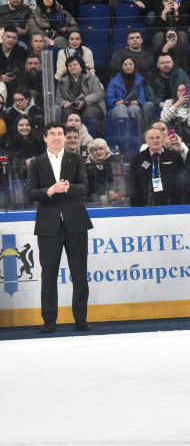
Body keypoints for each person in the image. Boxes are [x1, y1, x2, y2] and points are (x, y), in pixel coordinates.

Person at [27, 121, 94, 333]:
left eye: (59, 134)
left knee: (79, 274)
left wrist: (67, 188)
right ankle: (49, 320)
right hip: (48, 226)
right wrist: (49, 190)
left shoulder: (76, 159)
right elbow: (31, 192)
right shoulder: (36, 163)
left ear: (64, 137)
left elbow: (84, 187)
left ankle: (81, 319)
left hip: (76, 224)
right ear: (45, 137)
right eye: (52, 134)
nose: (56, 137)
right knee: (48, 275)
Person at [129, 126, 187, 206]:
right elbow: (133, 183)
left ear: (163, 139)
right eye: (151, 138)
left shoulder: (174, 156)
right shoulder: (139, 158)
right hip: (146, 205)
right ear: (146, 141)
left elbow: (182, 181)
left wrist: (182, 204)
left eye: (158, 137)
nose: (155, 141)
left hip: (170, 205)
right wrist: (135, 206)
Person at [56, 56, 106, 123]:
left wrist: (84, 102)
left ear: (81, 66)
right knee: (67, 112)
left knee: (88, 112)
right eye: (69, 66)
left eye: (75, 65)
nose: (72, 67)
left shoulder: (92, 78)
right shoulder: (62, 80)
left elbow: (98, 94)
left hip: (91, 105)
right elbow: (59, 98)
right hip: (71, 107)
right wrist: (64, 103)